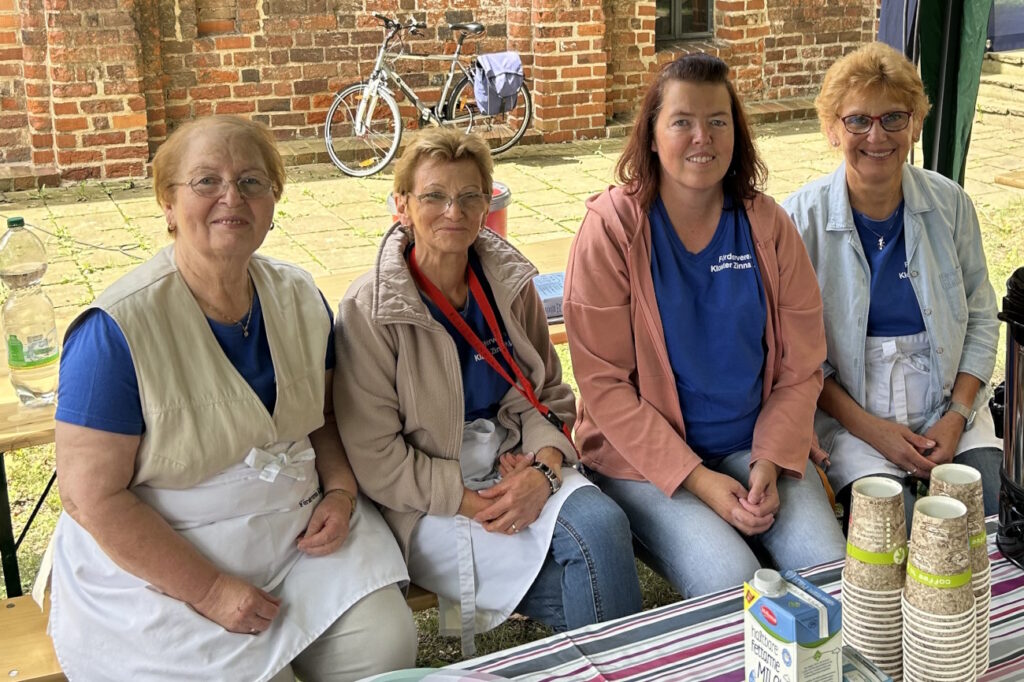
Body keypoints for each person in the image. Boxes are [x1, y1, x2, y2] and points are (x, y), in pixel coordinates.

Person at [41, 115, 416, 682]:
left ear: (272, 202)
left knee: (383, 647)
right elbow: (90, 498)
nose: (230, 197)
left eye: (251, 182)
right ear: (168, 204)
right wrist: (211, 590)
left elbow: (324, 417)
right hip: (165, 564)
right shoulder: (115, 332)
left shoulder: (297, 296)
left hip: (295, 541)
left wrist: (339, 493)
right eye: (205, 182)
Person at [334, 127, 642, 656]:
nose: (453, 210)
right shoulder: (370, 308)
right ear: (402, 205)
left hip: (512, 459)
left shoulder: (507, 283)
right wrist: (471, 503)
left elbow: (545, 390)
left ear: (486, 204)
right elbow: (375, 455)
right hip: (427, 494)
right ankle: (631, 658)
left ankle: (613, 656)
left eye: (469, 195)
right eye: (433, 195)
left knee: (604, 525)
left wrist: (544, 470)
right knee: (591, 582)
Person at [563, 53, 846, 599]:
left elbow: (801, 365)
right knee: (729, 582)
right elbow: (603, 388)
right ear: (651, 135)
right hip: (646, 463)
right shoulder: (612, 230)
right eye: (682, 121)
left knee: (827, 572)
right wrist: (699, 480)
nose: (703, 138)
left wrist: (771, 458)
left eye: (718, 121)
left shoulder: (767, 226)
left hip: (755, 444)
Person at [783, 42, 1002, 524]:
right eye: (857, 120)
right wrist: (872, 430)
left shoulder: (951, 204)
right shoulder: (799, 221)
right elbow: (795, 356)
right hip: (855, 416)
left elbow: (983, 318)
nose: (875, 136)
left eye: (893, 118)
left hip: (949, 405)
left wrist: (957, 416)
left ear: (916, 123)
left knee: (986, 519)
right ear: (831, 128)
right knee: (892, 534)